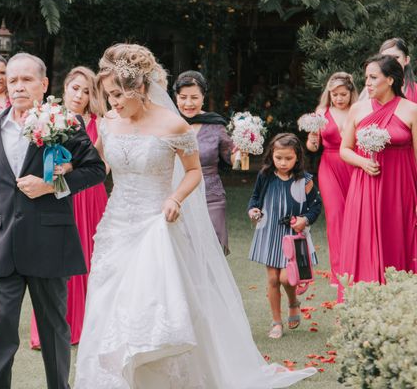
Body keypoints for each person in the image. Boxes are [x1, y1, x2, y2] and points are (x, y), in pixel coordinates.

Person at [74, 43, 316, 388]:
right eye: (109, 95)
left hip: (156, 225)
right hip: (114, 228)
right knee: (107, 302)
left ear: (140, 88)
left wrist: (175, 197)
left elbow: (192, 173)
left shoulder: (174, 126)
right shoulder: (109, 122)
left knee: (152, 304)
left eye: (118, 94)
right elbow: (96, 163)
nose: (112, 102)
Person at [0, 53, 106, 389]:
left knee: (53, 331)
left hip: (50, 243)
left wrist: (52, 185)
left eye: (26, 80)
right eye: (12, 80)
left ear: (44, 84)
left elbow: (94, 170)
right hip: (1, 245)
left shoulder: (65, 123)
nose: (18, 86)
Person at [30, 66, 108, 348]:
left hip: (90, 194)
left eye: (87, 91)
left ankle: (89, 326)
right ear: (64, 89)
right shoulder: (51, 119)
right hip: (59, 194)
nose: (80, 95)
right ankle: (53, 326)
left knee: (89, 259)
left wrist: (73, 165)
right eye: (75, 88)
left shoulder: (101, 124)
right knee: (55, 257)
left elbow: (102, 166)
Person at [339, 54, 417, 301]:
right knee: (363, 244)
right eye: (366, 78)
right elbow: (344, 149)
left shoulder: (412, 110)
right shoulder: (357, 109)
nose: (368, 83)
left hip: (400, 189)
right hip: (365, 188)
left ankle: (399, 305)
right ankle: (361, 305)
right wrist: (362, 162)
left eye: (373, 78)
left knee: (398, 243)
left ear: (391, 80)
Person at [247, 133, 322, 339]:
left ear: (297, 156)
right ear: (272, 155)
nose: (282, 162)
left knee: (287, 278)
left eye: (288, 158)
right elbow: (254, 199)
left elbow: (316, 207)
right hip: (270, 231)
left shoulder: (304, 181)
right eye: (278, 157)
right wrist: (253, 211)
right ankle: (276, 322)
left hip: (293, 235)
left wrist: (304, 220)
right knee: (272, 279)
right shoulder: (265, 176)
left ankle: (293, 303)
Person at [306, 72, 358, 285]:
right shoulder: (321, 112)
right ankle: (339, 272)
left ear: (351, 93)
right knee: (335, 216)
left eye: (343, 94)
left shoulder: (358, 111)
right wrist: (311, 139)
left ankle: (356, 265)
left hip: (354, 166)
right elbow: (312, 147)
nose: (338, 98)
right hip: (329, 167)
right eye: (334, 94)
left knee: (354, 217)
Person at [174, 70, 233, 254]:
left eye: (194, 97)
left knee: (211, 252)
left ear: (203, 98)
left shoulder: (215, 124)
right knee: (184, 254)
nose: (188, 103)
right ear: (176, 97)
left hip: (211, 197)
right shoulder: (168, 123)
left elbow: (231, 159)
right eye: (183, 97)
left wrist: (244, 150)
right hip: (177, 197)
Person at [359, 37, 417, 103]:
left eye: (396, 57)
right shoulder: (370, 89)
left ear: (406, 60)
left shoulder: (415, 91)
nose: (391, 62)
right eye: (385, 58)